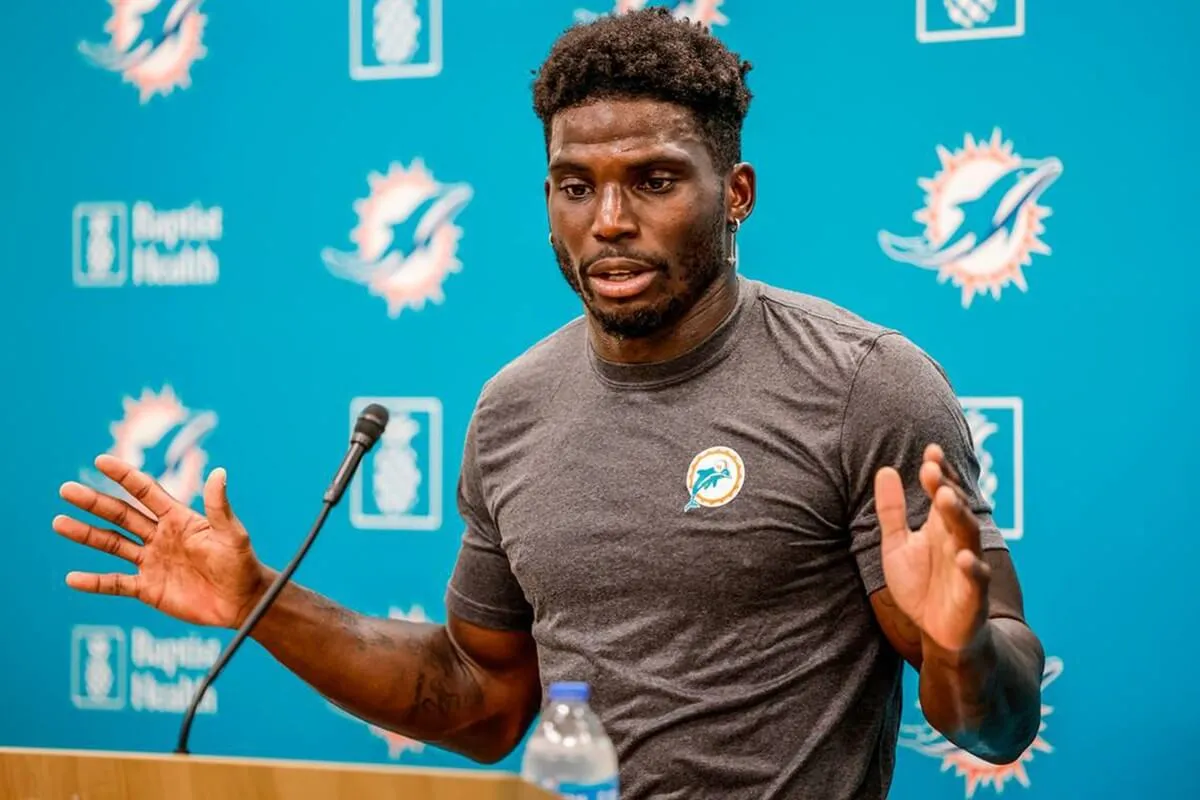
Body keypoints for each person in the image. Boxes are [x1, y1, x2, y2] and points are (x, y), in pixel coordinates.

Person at [52, 9, 1045, 799]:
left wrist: (958, 649)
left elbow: (995, 727)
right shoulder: (513, 408)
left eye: (653, 181)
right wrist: (258, 600)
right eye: (575, 185)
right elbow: (480, 697)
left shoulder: (863, 383)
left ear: (736, 191)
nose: (608, 221)